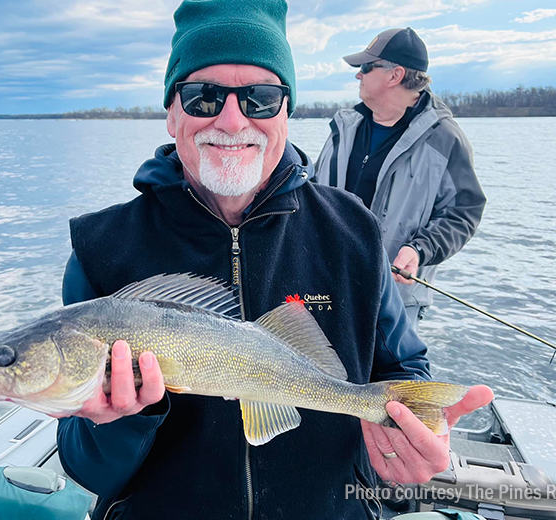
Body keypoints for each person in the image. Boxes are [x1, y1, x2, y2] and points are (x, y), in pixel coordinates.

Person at [56, 3, 493, 519]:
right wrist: (117, 422)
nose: (232, 119)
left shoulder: (353, 230)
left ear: (286, 111)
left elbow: (402, 368)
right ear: (172, 113)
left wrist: (407, 448)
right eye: (204, 96)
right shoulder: (100, 248)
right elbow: (88, 469)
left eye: (261, 98)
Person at [315, 27, 486, 331]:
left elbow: (464, 212)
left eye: (366, 68)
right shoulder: (343, 128)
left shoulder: (446, 140)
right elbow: (311, 194)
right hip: (324, 288)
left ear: (395, 75)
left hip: (394, 305)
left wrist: (420, 249)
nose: (359, 76)